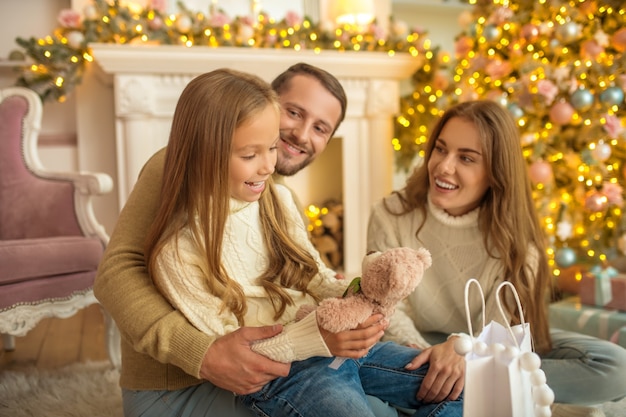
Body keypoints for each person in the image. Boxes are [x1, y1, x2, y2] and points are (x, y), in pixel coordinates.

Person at [143, 68, 463, 417]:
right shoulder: (178, 250)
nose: (268, 166)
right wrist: (317, 338)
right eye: (251, 155)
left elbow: (314, 276)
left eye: (270, 149)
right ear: (205, 152)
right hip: (283, 372)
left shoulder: (277, 199)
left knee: (466, 387)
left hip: (328, 342)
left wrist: (359, 295)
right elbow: (234, 354)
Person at [93, 63, 399, 416]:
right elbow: (116, 270)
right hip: (182, 381)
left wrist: (347, 302)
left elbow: (303, 275)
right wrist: (201, 352)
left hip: (279, 361)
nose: (300, 134)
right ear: (264, 103)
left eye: (320, 127)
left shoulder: (276, 195)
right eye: (294, 112)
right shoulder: (178, 167)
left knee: (386, 404)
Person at [367, 100, 626, 417]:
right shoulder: (390, 215)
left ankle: (439, 393)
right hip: (415, 345)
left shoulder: (517, 238)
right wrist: (427, 356)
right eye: (440, 149)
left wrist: (464, 352)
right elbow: (387, 308)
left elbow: (499, 329)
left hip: (486, 349)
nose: (444, 166)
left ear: (495, 172)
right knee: (365, 389)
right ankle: (468, 394)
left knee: (615, 366)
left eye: (466, 158)